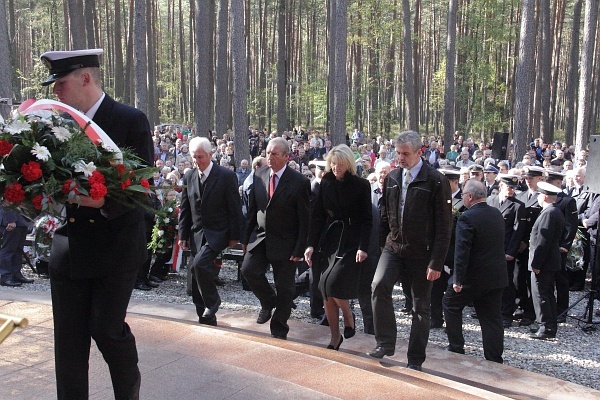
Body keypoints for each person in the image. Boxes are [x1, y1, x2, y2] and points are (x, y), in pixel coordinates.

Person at [41, 48, 153, 399]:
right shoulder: (56, 124)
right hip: (70, 247)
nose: (55, 92)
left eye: (60, 84)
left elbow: (142, 187)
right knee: (69, 343)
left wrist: (104, 201)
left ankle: (128, 390)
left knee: (107, 330)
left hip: (115, 246)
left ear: (85, 78)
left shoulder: (129, 119)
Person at [369, 130, 452, 371]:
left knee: (420, 306)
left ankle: (415, 358)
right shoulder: (393, 177)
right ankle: (385, 342)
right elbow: (385, 214)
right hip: (393, 246)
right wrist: (382, 245)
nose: (401, 158)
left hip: (422, 252)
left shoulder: (436, 180)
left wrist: (436, 262)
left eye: (406, 154)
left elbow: (444, 226)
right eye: (398, 153)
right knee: (379, 285)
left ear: (419, 152)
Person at [241, 137, 310, 340]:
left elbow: (305, 219)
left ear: (286, 157)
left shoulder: (300, 182)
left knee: (285, 287)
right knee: (248, 270)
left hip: (286, 242)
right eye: (267, 153)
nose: (269, 157)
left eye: (274, 154)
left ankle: (279, 326)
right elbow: (252, 210)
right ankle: (268, 300)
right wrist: (246, 238)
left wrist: (300, 248)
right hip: (260, 237)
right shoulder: (259, 174)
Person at [304, 145, 372, 350]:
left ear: (348, 164)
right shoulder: (326, 182)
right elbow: (317, 216)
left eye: (339, 164)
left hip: (351, 240)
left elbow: (367, 219)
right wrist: (310, 245)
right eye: (332, 164)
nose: (335, 168)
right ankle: (335, 337)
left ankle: (348, 316)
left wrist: (363, 246)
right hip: (330, 238)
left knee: (332, 284)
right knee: (323, 288)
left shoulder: (361, 185)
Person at [178, 137, 243, 326]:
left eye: (201, 157)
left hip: (218, 232)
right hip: (197, 233)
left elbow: (234, 208)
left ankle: (213, 302)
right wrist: (183, 235)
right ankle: (205, 317)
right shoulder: (189, 176)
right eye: (194, 157)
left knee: (200, 265)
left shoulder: (225, 176)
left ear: (210, 155)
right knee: (194, 271)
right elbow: (186, 208)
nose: (198, 161)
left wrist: (234, 236)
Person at [443, 179, 507, 363]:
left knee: (450, 304)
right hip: (495, 277)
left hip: (473, 277)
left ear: (470, 197)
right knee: (492, 319)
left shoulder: (467, 217)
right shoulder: (496, 213)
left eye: (463, 194)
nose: (462, 197)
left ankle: (456, 347)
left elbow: (462, 250)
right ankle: (494, 358)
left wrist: (458, 279)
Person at [486, 175, 526, 327]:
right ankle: (490, 309)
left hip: (506, 248)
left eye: (513, 188)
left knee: (506, 282)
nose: (511, 190)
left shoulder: (517, 205)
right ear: (501, 185)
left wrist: (511, 251)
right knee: (489, 280)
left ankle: (506, 313)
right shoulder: (491, 200)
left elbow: (517, 231)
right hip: (491, 248)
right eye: (508, 187)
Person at [528, 182, 565, 339]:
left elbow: (543, 241)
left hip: (544, 262)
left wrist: (536, 263)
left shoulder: (549, 213)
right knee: (547, 293)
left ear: (543, 196)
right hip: (549, 261)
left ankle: (546, 327)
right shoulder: (554, 211)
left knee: (541, 294)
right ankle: (548, 325)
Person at [544, 170, 578, 322]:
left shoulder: (567, 201)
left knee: (561, 279)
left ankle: (561, 310)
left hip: (558, 247)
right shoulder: (546, 198)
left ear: (558, 183)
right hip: (547, 246)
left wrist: (565, 245)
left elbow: (571, 225)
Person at [0, 205, 33, 287]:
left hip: (20, 221)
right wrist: (11, 219)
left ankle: (16, 274)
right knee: (8, 250)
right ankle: (5, 276)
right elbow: (6, 201)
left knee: (18, 250)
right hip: (11, 220)